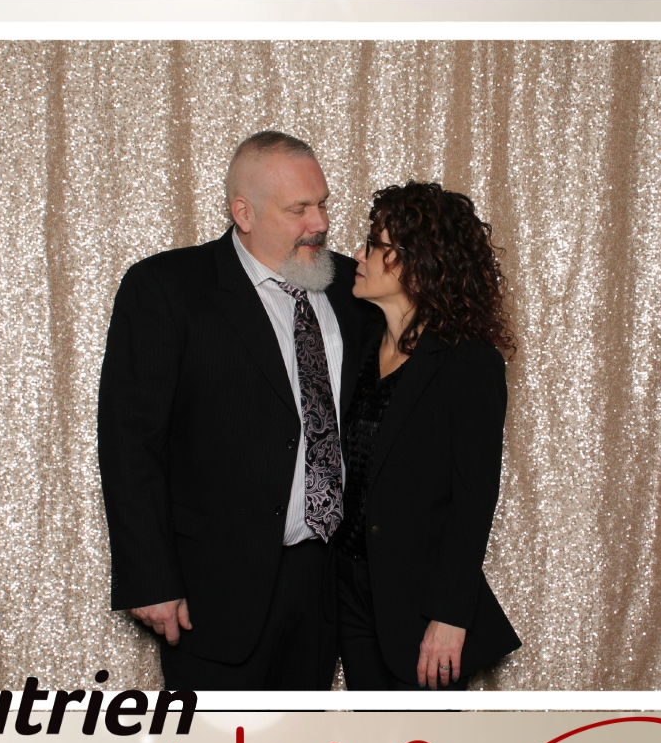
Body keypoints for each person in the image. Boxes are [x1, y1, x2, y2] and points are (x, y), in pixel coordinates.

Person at [97, 132, 368, 689]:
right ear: (243, 213)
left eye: (322, 204)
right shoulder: (168, 288)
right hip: (214, 591)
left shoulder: (353, 289)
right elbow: (129, 441)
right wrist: (150, 577)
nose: (319, 222)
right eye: (298, 209)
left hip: (325, 587)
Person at [336, 180, 520, 689]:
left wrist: (451, 615)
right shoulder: (360, 342)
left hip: (420, 603)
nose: (359, 255)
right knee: (369, 736)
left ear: (416, 263)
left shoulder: (469, 363)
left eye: (374, 244)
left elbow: (473, 498)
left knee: (421, 739)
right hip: (349, 591)